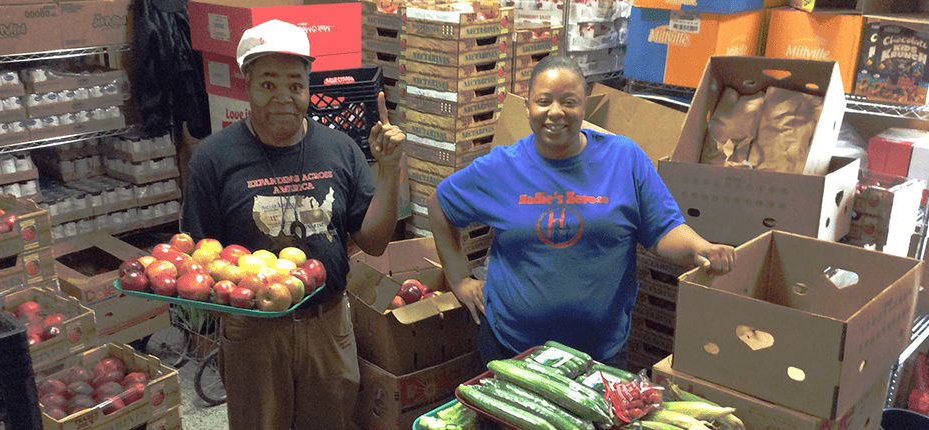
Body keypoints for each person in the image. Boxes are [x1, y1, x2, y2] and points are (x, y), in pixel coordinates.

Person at [427, 55, 735, 369]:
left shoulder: (623, 158)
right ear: (527, 108)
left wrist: (700, 246)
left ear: (584, 106)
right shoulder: (501, 167)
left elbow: (663, 229)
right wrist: (459, 280)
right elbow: (440, 206)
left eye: (569, 102)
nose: (555, 112)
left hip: (600, 355)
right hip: (512, 350)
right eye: (543, 101)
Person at [180, 20, 405, 430]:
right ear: (246, 84)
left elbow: (373, 242)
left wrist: (390, 172)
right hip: (254, 333)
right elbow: (201, 260)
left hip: (328, 324)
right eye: (268, 84)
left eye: (296, 85)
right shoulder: (213, 160)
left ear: (308, 86)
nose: (283, 98)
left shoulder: (339, 149)